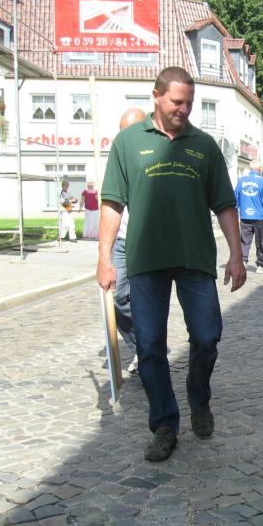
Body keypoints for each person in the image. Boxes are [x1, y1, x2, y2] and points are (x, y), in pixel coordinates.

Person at [96, 66, 247, 462]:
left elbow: (225, 205)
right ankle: (164, 425)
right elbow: (112, 203)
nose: (184, 109)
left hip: (195, 257)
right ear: (157, 97)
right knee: (150, 346)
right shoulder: (128, 142)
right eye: (177, 102)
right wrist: (104, 259)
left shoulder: (204, 145)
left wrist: (236, 255)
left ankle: (199, 398)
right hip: (146, 260)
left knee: (207, 336)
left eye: (189, 103)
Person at [110, 107, 147, 375]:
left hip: (146, 241)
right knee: (116, 298)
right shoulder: (118, 157)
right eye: (122, 132)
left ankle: (150, 350)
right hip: (121, 241)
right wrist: (103, 251)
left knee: (146, 300)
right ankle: (142, 347)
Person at [234, 160, 263, 273]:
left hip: (245, 215)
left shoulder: (241, 181)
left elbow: (235, 197)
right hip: (259, 217)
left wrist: (235, 210)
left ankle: (243, 261)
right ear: (260, 169)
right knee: (260, 241)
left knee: (244, 240)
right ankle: (260, 265)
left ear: (250, 168)